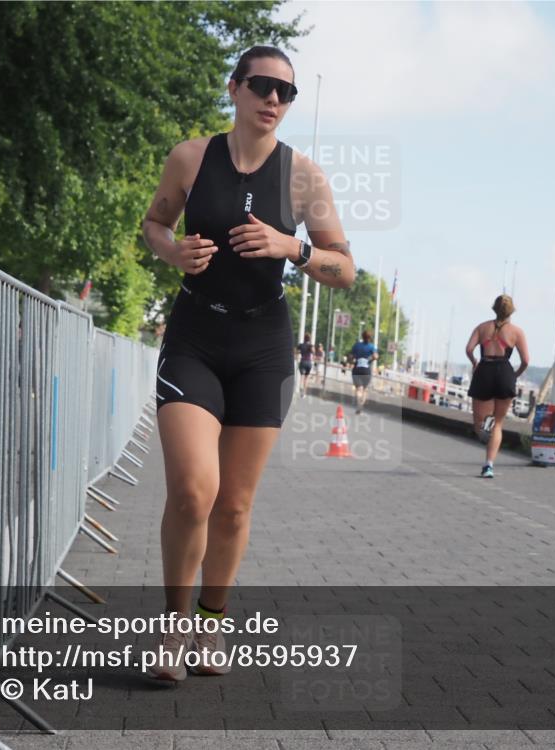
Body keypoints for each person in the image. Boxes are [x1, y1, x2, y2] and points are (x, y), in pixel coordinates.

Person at [140, 45, 353, 681]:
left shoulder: (304, 178)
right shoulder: (190, 156)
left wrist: (293, 247)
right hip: (195, 338)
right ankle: (173, 632)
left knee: (233, 505)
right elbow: (154, 224)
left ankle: (211, 624)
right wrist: (172, 252)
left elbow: (344, 268)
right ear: (234, 88)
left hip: (263, 348)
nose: (274, 100)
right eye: (262, 86)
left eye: (286, 93)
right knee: (192, 491)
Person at [464, 295, 529, 478]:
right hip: (504, 373)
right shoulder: (517, 332)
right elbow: (525, 360)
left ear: (494, 308)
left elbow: (469, 349)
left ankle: (483, 430)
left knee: (478, 423)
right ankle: (489, 465)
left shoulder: (482, 327)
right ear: (511, 311)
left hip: (484, 369)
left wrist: (475, 361)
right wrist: (514, 375)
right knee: (498, 423)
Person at [350, 331, 378, 414]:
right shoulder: (371, 347)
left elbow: (351, 356)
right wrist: (370, 360)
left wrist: (352, 361)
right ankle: (361, 404)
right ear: (370, 338)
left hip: (357, 369)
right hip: (366, 370)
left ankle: (359, 403)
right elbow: (376, 356)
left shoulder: (357, 345)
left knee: (358, 388)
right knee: (365, 389)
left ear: (362, 336)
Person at [295, 333, 314, 397]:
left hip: (302, 362)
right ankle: (304, 393)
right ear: (309, 339)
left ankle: (300, 388)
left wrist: (300, 352)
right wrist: (311, 348)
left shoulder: (301, 345)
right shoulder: (310, 345)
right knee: (306, 378)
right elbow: (313, 352)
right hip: (308, 363)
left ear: (304, 338)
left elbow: (295, 351)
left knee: (302, 376)